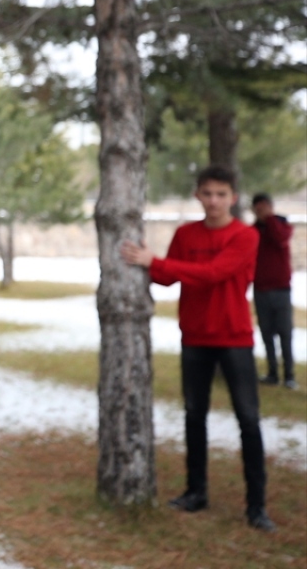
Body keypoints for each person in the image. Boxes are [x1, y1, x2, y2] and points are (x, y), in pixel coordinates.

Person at [120, 165, 275, 532]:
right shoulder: (185, 234)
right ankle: (196, 492)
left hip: (234, 338)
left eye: (221, 194)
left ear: (233, 198)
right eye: (207, 193)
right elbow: (169, 275)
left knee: (248, 421)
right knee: (194, 416)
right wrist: (147, 262)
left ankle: (257, 506)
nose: (214, 201)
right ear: (197, 196)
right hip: (194, 337)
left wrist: (156, 262)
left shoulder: (245, 236)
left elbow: (213, 273)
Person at [251, 193, 296, 390]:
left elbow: (280, 239)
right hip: (261, 289)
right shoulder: (252, 231)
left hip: (281, 289)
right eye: (258, 208)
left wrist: (270, 218)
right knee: (266, 333)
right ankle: (272, 373)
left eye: (265, 207)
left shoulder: (282, 226)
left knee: (285, 334)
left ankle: (289, 376)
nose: (261, 211)